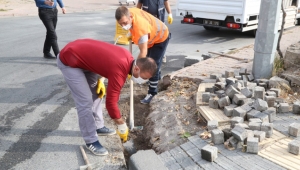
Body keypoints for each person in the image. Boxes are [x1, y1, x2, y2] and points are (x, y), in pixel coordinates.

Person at [57, 38, 157, 156]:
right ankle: (91, 140)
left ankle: (98, 126)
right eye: (143, 77)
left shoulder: (128, 57)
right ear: (136, 68)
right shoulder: (119, 72)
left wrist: (101, 78)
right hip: (70, 60)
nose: (142, 80)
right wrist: (121, 124)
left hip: (83, 58)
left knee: (96, 94)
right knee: (85, 101)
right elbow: (111, 103)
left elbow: (104, 60)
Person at [115, 6, 170, 104]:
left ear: (130, 17)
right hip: (151, 37)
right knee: (152, 63)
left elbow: (143, 53)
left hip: (161, 37)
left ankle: (153, 93)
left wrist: (133, 70)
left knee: (151, 64)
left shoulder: (141, 28)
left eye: (125, 23)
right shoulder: (128, 12)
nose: (123, 26)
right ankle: (156, 80)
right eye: (121, 24)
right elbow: (132, 25)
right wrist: (131, 32)